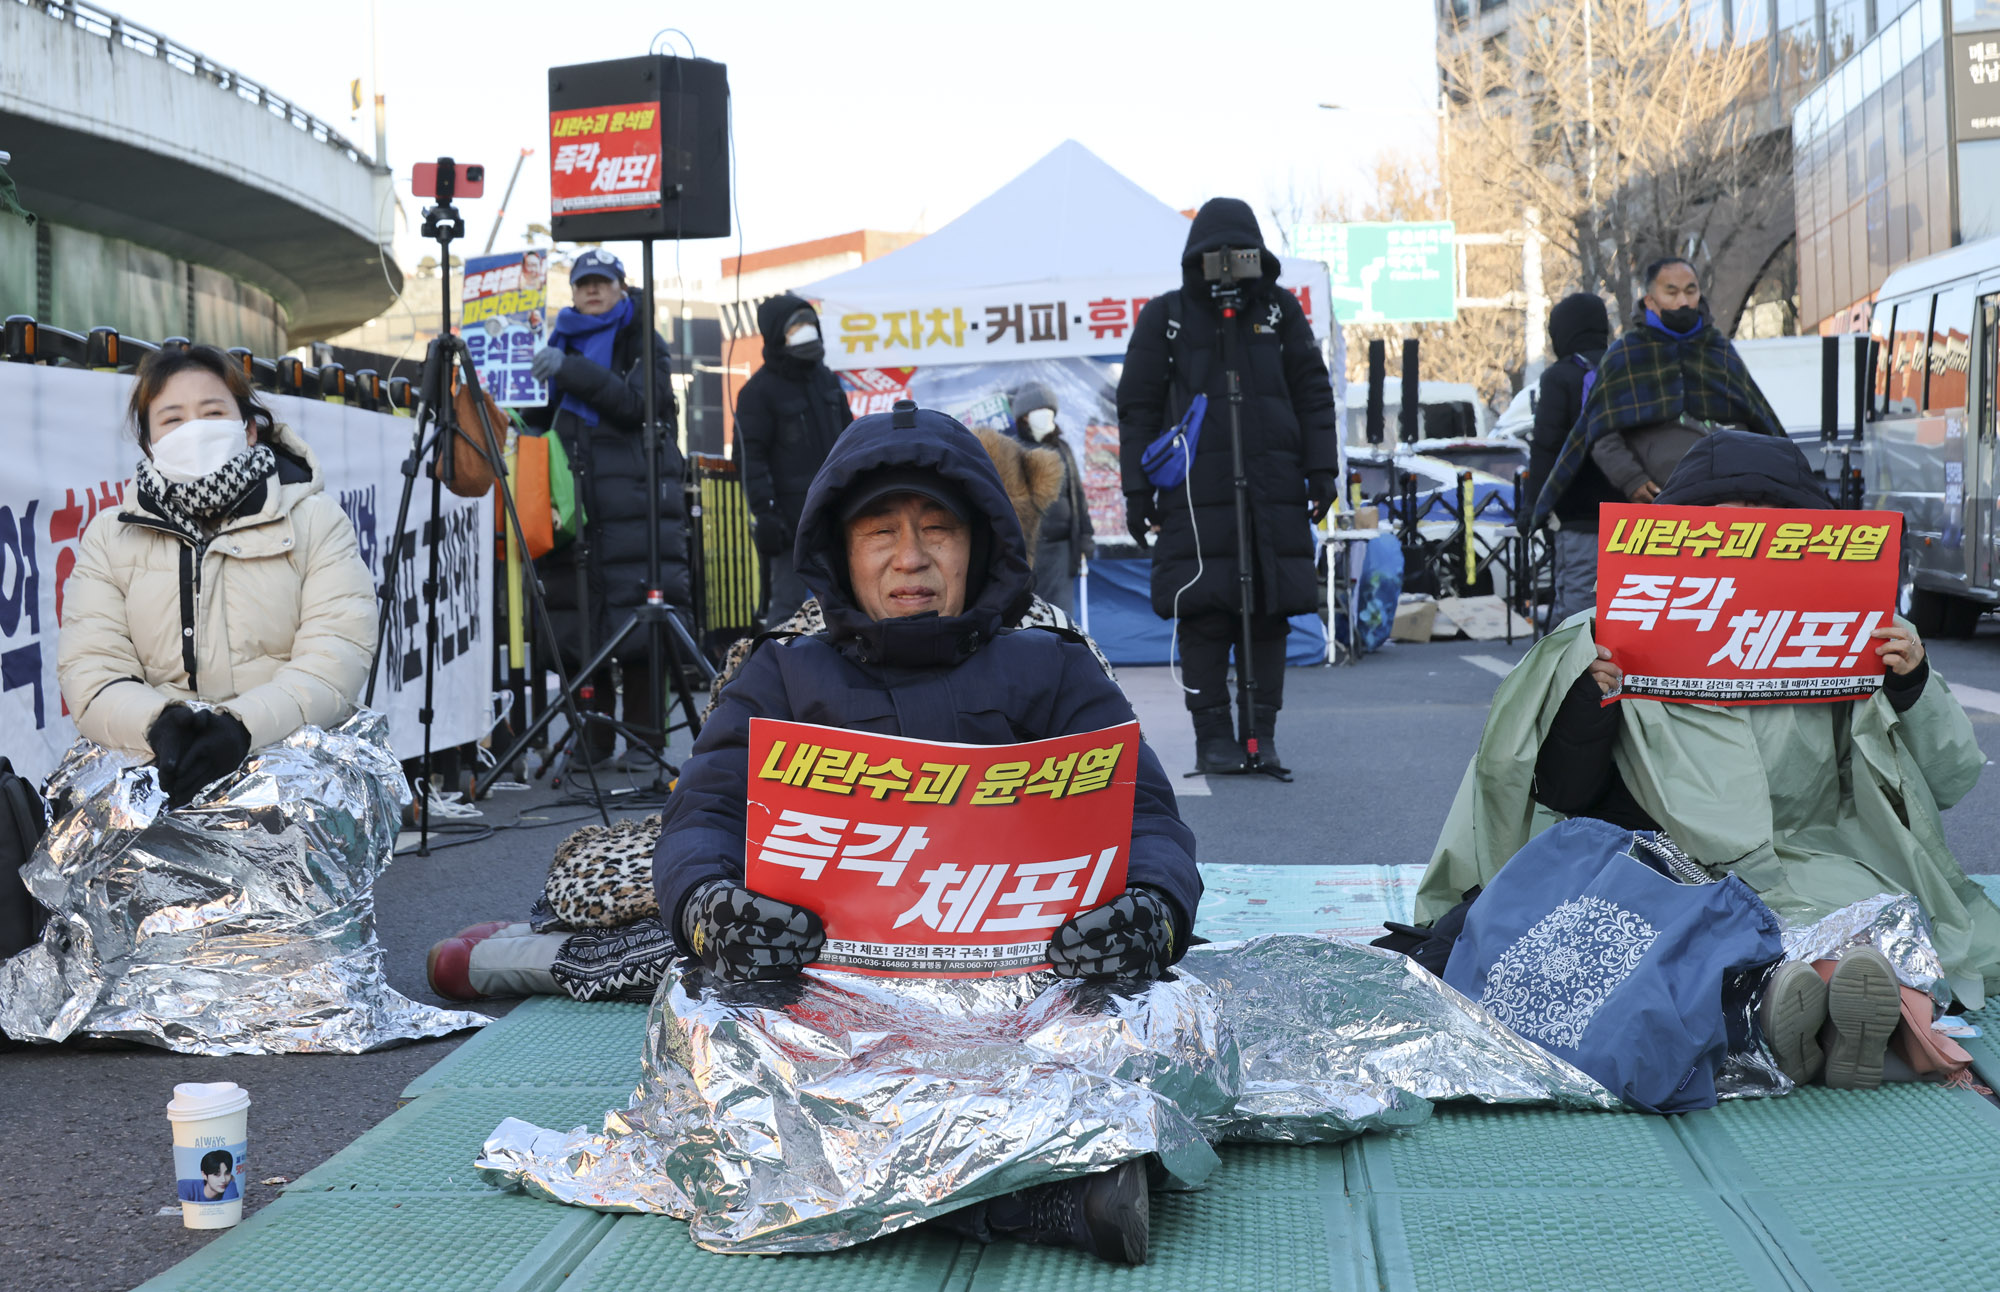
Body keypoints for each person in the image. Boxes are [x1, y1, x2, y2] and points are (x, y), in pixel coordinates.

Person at [426, 425, 1115, 1006]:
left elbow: (1135, 811)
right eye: (880, 533)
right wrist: (709, 907)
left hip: (1009, 950)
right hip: (812, 944)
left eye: (940, 530)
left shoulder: (1054, 653)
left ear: (983, 543)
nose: (912, 557)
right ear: (843, 551)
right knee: (676, 951)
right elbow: (709, 808)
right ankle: (509, 955)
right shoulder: (788, 659)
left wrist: (1155, 908)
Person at [1423, 430, 2000, 1084]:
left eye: (1769, 535)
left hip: (1812, 857)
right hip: (1661, 865)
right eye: (1722, 537)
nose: (1745, 556)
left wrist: (1910, 685)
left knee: (1861, 928)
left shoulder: (1866, 640)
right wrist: (1591, 696)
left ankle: (1832, 1016)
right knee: (1656, 944)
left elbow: (1949, 778)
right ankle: (1792, 1017)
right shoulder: (1599, 639)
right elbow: (1563, 793)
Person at [58, 345, 376, 801]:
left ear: (247, 429)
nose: (195, 431)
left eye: (212, 413)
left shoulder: (315, 520)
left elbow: (336, 655)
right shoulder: (110, 536)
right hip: (158, 773)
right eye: (172, 419)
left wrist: (241, 727)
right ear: (149, 442)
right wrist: (158, 723)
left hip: (287, 776)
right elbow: (91, 667)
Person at [1116, 198, 1339, 778]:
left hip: (1273, 490)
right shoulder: (1166, 317)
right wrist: (1137, 493)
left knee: (1269, 614)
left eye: (1238, 255)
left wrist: (1323, 470)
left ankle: (1260, 735)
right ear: (1194, 259)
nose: (1226, 266)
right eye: (1213, 256)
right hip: (1195, 494)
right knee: (1204, 613)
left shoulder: (1280, 312)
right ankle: (1212, 736)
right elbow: (1136, 407)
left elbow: (1313, 394)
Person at [526, 250, 689, 770]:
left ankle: (645, 744)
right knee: (581, 626)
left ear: (622, 287)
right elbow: (537, 420)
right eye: (583, 284)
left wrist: (567, 370)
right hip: (573, 504)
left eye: (603, 282)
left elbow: (636, 404)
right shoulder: (555, 343)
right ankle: (592, 741)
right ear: (572, 293)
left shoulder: (641, 339)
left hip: (633, 505)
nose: (593, 291)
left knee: (640, 628)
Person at [1533, 258, 1786, 538]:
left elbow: (1759, 421)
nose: (1683, 301)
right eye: (1672, 292)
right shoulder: (1626, 354)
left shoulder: (1718, 350)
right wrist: (1633, 480)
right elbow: (1600, 432)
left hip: (1728, 507)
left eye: (1691, 291)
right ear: (1651, 300)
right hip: (1659, 511)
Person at [736, 292, 853, 625]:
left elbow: (850, 440)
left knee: (843, 601)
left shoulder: (828, 381)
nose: (806, 331)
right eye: (796, 326)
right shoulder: (758, 392)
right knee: (787, 610)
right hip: (791, 524)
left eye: (809, 323)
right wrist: (766, 513)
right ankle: (774, 673)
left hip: (838, 515)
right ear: (776, 334)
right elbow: (749, 459)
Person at [1519, 292, 1620, 623]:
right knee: (1626, 605)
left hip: (1581, 516)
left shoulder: (1561, 376)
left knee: (1578, 606)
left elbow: (1546, 446)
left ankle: (1576, 673)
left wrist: (1533, 507)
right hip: (1634, 514)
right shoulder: (1626, 367)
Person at [1009, 381, 1093, 616]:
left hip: (1062, 549)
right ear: (1024, 417)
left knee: (1061, 610)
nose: (1046, 417)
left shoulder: (1062, 449)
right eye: (1039, 412)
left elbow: (1077, 495)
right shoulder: (1015, 451)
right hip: (1029, 550)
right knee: (1030, 611)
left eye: (1050, 412)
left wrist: (1085, 536)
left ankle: (1064, 649)